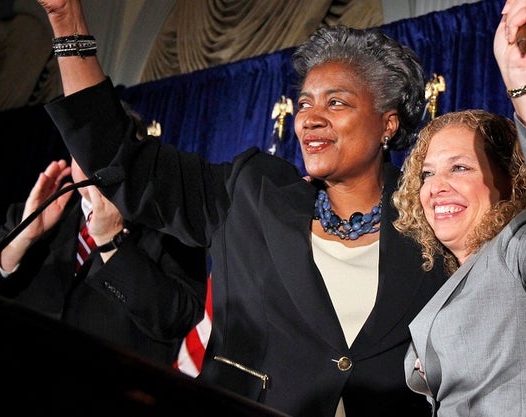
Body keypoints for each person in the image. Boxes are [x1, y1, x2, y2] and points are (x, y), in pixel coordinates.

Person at [38, 1, 446, 416]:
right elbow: (120, 157)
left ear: (388, 124)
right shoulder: (251, 193)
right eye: (304, 104)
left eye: (336, 103)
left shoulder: (435, 218)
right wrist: (65, 18)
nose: (310, 119)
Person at [391, 1, 526, 416]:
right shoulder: (454, 274)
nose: (437, 187)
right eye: (427, 174)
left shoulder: (519, 249)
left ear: (509, 180)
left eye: (459, 168)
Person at [0, 157, 207, 365]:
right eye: (79, 150)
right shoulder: (33, 213)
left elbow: (178, 319)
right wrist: (22, 239)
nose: (90, 159)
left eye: (102, 148)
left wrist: (112, 242)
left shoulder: (174, 228)